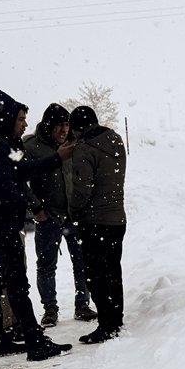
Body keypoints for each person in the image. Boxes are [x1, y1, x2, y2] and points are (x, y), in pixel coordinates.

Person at [0, 86, 70, 361]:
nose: (24, 123)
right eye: (18, 118)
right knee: (17, 285)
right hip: (0, 227)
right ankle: (34, 341)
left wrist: (52, 160)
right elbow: (7, 184)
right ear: (1, 113)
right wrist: (19, 205)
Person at [22, 103, 96, 327]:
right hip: (49, 216)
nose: (65, 129)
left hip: (75, 215)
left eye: (67, 124)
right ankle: (50, 309)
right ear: (48, 125)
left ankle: (82, 304)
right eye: (59, 125)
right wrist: (36, 207)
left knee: (82, 262)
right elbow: (20, 181)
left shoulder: (76, 143)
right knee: (46, 265)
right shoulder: (31, 147)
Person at [68, 105, 126, 344]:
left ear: (77, 129)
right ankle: (116, 317)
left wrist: (73, 213)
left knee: (95, 274)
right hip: (117, 218)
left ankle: (106, 323)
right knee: (113, 269)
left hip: (95, 221)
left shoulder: (84, 149)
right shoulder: (116, 139)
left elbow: (82, 190)